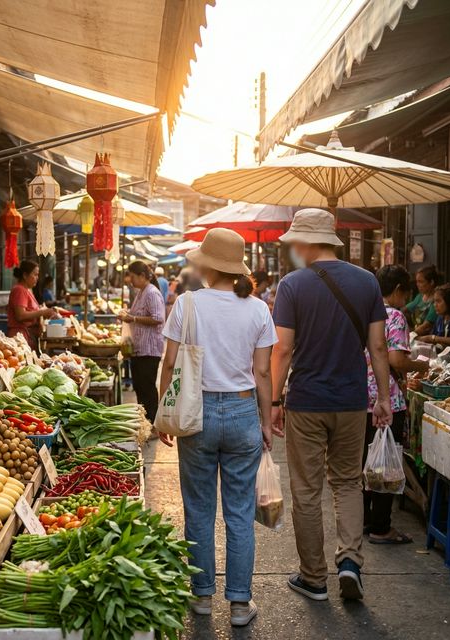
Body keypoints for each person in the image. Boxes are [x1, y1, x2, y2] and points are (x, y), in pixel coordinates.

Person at [270, 208, 392, 602]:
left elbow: (283, 349)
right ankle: (351, 562)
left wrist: (273, 400)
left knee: (306, 490)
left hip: (306, 401)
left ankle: (314, 578)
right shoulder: (367, 281)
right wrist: (384, 397)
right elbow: (378, 345)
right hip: (353, 401)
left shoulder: (292, 285)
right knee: (347, 484)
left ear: (306, 243)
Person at [159, 228, 277, 627]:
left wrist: (165, 411)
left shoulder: (187, 304)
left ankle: (203, 597)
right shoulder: (259, 309)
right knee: (240, 514)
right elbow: (262, 373)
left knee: (198, 509)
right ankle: (241, 604)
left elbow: (169, 363)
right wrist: (267, 419)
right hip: (244, 413)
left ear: (208, 265)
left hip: (196, 415)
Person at [364, 265, 429, 544]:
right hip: (386, 398)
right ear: (399, 290)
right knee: (386, 464)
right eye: (407, 291)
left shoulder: (365, 310)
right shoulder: (395, 316)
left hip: (361, 398)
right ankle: (381, 527)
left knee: (367, 461)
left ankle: (366, 521)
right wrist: (419, 365)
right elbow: (396, 360)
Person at [119, 261, 165, 421]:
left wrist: (133, 318)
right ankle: (145, 422)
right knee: (139, 387)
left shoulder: (152, 293)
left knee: (148, 388)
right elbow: (135, 314)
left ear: (142, 276)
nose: (130, 280)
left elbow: (158, 318)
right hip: (139, 348)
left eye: (132, 276)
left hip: (149, 349)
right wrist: (127, 314)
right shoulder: (141, 292)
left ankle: (153, 423)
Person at [7, 260, 58, 350]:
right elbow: (20, 315)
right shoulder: (19, 290)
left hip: (28, 337)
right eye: (35, 274)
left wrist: (44, 312)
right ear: (25, 275)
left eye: (37, 274)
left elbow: (33, 312)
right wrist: (42, 312)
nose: (37, 278)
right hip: (20, 337)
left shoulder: (27, 290)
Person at [418, 284, 450, 349]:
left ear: (449, 301)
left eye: (438, 301)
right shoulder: (440, 319)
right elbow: (433, 340)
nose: (435, 305)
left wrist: (433, 338)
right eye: (434, 302)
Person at [404, 265, 439, 335]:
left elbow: (426, 325)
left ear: (431, 282)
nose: (417, 285)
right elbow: (404, 310)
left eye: (421, 282)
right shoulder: (419, 297)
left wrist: (410, 334)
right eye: (417, 282)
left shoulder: (437, 300)